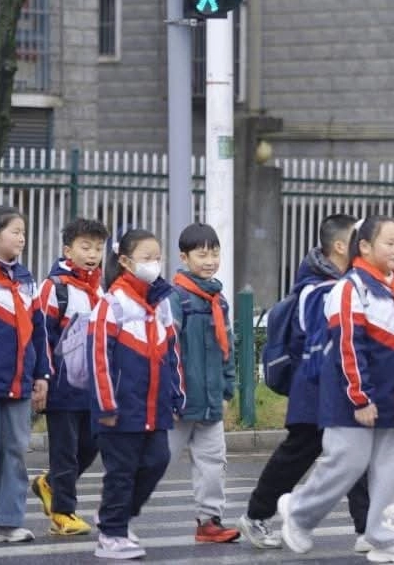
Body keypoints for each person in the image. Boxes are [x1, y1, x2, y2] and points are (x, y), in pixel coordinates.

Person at [278, 215, 394, 563]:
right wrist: (360, 397)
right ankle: (298, 512)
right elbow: (349, 346)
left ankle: (389, 537)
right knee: (346, 463)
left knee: (392, 471)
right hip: (352, 402)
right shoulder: (350, 289)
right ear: (365, 247)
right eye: (389, 243)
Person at [238, 214, 371, 551]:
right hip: (315, 388)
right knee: (297, 455)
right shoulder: (318, 291)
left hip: (335, 387)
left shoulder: (342, 285)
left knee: (355, 456)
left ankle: (367, 529)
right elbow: (323, 342)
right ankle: (257, 514)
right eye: (359, 239)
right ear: (340, 246)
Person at [90, 228, 184, 560]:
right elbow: (99, 359)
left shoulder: (161, 303)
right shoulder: (111, 304)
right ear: (126, 261)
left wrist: (177, 396)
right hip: (120, 408)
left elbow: (172, 351)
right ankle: (111, 536)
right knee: (122, 472)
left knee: (157, 461)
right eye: (146, 258)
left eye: (157, 257)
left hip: (154, 406)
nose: (154, 264)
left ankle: (115, 518)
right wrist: (106, 405)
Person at [30, 217, 109, 537]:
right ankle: (62, 514)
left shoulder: (99, 288)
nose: (92, 254)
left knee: (91, 446)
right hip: (60, 387)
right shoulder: (54, 288)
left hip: (90, 388)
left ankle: (48, 484)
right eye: (85, 247)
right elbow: (40, 336)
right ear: (68, 250)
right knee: (65, 452)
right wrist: (43, 378)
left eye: (98, 248)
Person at [0, 205, 49, 544]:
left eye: (23, 232)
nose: (22, 238)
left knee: (15, 451)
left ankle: (7, 523)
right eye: (15, 232)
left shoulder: (25, 278)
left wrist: (42, 374)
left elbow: (38, 329)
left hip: (20, 381)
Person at [167, 223, 241, 543]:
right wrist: (172, 394)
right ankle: (117, 516)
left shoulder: (218, 300)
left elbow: (227, 349)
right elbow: (166, 349)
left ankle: (209, 521)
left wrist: (226, 389)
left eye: (215, 253)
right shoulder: (176, 298)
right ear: (184, 257)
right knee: (156, 462)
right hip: (180, 402)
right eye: (202, 254)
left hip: (210, 401)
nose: (210, 261)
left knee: (213, 462)